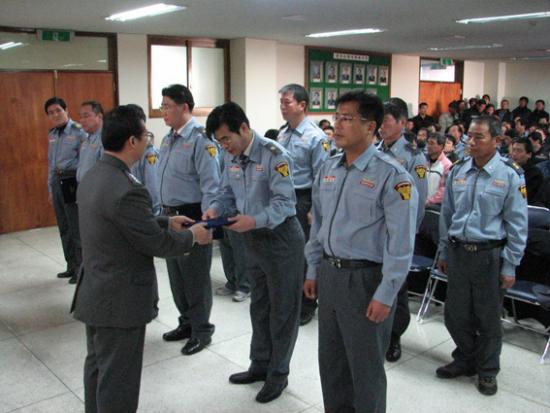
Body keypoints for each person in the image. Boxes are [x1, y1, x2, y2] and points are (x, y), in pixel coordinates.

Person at [71, 104, 212, 413]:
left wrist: (164, 221)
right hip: (119, 300)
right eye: (146, 135)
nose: (149, 141)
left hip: (95, 291)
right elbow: (156, 243)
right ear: (132, 141)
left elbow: (119, 221)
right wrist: (193, 236)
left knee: (98, 368)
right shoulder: (127, 187)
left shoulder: (95, 175)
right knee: (119, 379)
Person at [304, 91, 418, 412]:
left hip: (366, 280)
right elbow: (318, 225)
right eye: (337, 117)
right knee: (332, 363)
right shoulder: (329, 167)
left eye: (347, 118)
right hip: (330, 274)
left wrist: (387, 293)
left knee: (365, 369)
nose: (337, 125)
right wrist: (313, 269)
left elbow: (401, 244)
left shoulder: (392, 175)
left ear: (370, 127)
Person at [204, 102, 305, 403]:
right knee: (259, 305)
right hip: (252, 239)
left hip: (281, 239)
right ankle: (259, 364)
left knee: (283, 310)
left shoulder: (275, 155)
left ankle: (278, 373)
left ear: (244, 128)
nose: (224, 146)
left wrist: (254, 220)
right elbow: (225, 192)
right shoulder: (229, 155)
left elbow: (285, 204)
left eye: (226, 138)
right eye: (219, 141)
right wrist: (215, 208)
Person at [436, 115, 528, 396]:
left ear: (497, 141)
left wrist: (510, 265)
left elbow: (517, 224)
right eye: (469, 137)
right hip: (458, 252)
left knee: (487, 318)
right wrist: (443, 251)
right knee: (454, 314)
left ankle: (487, 370)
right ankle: (466, 358)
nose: (471, 142)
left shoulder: (509, 174)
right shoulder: (459, 170)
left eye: (479, 137)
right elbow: (447, 214)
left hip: (489, 255)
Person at [158, 84, 220, 355]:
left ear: (184, 107)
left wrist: (206, 224)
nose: (163, 111)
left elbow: (212, 186)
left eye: (167, 106)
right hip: (169, 216)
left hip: (193, 215)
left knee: (195, 278)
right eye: (161, 106)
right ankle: (186, 323)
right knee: (177, 276)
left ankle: (201, 330)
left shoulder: (201, 140)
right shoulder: (167, 139)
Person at [378, 98, 428, 362]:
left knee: (396, 285)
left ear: (402, 123)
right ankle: (378, 331)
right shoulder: (374, 150)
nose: (381, 126)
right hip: (374, 233)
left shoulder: (413, 156)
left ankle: (395, 335)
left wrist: (407, 238)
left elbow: (417, 203)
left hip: (397, 234)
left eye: (386, 120)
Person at [277, 84, 329, 325]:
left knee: (306, 252)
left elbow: (322, 177)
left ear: (302, 105)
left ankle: (308, 303)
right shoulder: (283, 133)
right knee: (287, 252)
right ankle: (290, 300)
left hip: (305, 198)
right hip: (284, 198)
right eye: (281, 102)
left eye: (287, 102)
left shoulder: (316, 137)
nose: (282, 107)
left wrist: (314, 209)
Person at [45, 97, 87, 284]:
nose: (55, 115)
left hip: (72, 180)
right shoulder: (53, 134)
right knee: (63, 226)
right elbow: (51, 164)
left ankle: (81, 268)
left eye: (58, 111)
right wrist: (50, 188)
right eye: (51, 113)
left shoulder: (79, 131)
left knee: (75, 226)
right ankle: (70, 265)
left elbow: (85, 160)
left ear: (66, 110)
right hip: (57, 180)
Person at [77, 101, 103, 183]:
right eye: (80, 117)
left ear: (99, 116)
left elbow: (106, 170)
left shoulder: (105, 139)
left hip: (96, 188)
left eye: (86, 116)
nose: (81, 120)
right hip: (84, 186)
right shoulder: (86, 139)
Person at [510, 138, 543, 204]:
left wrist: (519, 179)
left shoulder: (535, 174)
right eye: (513, 150)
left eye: (519, 151)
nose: (514, 154)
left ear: (529, 154)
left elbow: (524, 196)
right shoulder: (507, 168)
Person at [426, 133, 452, 206]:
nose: (428, 146)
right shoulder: (423, 161)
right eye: (428, 143)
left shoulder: (447, 165)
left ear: (441, 146)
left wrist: (429, 201)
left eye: (432, 143)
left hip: (435, 206)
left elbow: (444, 189)